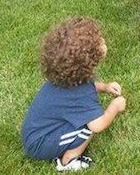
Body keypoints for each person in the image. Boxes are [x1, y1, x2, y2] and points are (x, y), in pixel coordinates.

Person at [22, 18, 126, 171]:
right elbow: (98, 125)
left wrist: (104, 87)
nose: (104, 41)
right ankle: (68, 161)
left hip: (35, 134)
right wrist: (115, 107)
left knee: (79, 119)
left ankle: (63, 146)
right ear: (88, 58)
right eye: (99, 42)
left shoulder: (67, 77)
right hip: (40, 145)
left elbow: (90, 85)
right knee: (86, 127)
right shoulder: (80, 94)